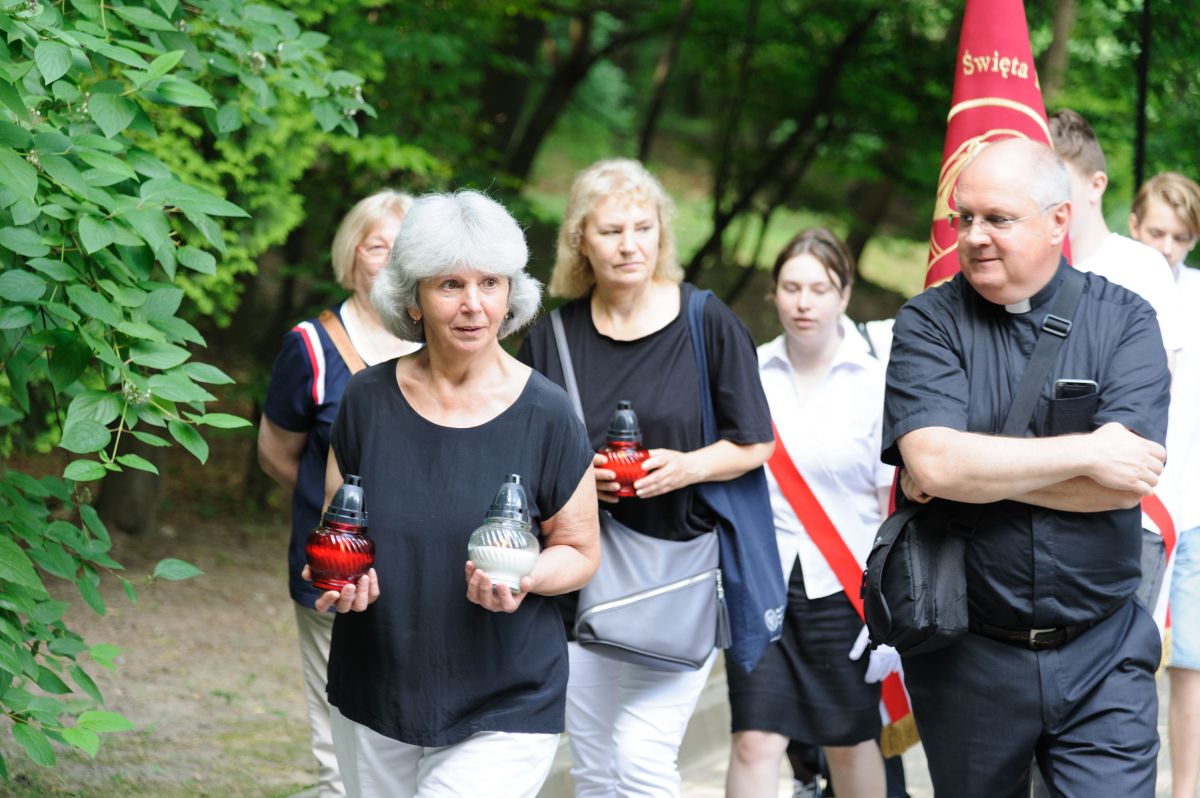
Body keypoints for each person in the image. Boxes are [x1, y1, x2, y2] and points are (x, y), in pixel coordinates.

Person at [884, 138, 1169, 796]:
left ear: (1058, 220)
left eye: (998, 218)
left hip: (1105, 651)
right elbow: (934, 463)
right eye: (964, 218)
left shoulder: (1126, 322)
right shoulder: (927, 323)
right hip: (968, 657)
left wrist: (977, 469)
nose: (974, 236)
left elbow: (1125, 483)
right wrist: (1087, 450)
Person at [306, 190, 601, 798]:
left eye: (490, 283)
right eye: (450, 286)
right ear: (412, 298)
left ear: (510, 295)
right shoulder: (365, 401)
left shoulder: (548, 414)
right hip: (377, 682)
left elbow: (579, 550)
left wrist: (523, 578)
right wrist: (341, 580)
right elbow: (339, 531)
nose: (473, 306)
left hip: (506, 694)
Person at [517, 158, 775, 797]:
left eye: (643, 227)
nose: (629, 244)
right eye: (610, 231)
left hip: (681, 574)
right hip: (580, 576)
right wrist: (579, 483)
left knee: (641, 756)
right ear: (581, 241)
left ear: (662, 234)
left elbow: (756, 443)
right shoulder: (552, 337)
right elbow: (524, 458)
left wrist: (686, 467)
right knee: (596, 765)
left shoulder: (706, 321)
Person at [723, 228, 897, 798]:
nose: (804, 303)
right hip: (761, 584)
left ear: (844, 295)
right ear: (773, 292)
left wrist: (887, 607)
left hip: (845, 590)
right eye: (792, 287)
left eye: (819, 289)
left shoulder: (874, 382)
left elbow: (886, 501)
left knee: (848, 740)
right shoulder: (747, 371)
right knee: (755, 740)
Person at [258, 189, 420, 798]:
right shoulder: (312, 346)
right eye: (379, 246)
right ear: (351, 257)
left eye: (405, 248)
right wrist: (337, 517)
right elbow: (280, 455)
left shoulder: (445, 340)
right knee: (339, 739)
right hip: (333, 570)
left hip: (421, 575)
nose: (391, 260)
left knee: (404, 731)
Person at [1129, 172, 1200, 798]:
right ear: (1133, 225)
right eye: (1156, 232)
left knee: (1192, 665)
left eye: (1181, 237)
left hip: (1195, 510)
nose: (1168, 247)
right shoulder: (1113, 289)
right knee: (1127, 660)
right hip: (1132, 505)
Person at [1048, 109, 1184, 372]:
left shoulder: (1144, 268)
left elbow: (1153, 391)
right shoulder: (1026, 267)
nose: (1047, 200)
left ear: (1096, 185)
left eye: (1059, 185)